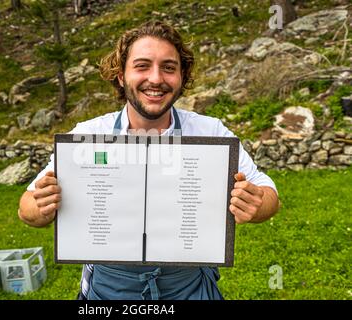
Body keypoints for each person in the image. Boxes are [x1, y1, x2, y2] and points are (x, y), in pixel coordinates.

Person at [18, 21, 280, 300]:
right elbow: (27, 208)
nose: (156, 79)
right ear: (120, 75)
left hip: (190, 289)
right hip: (107, 291)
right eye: (142, 66)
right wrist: (42, 205)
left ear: (182, 77)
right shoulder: (89, 135)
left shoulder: (210, 133)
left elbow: (269, 195)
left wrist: (255, 203)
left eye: (168, 67)